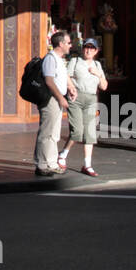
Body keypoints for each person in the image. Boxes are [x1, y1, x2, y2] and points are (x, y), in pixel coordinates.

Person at [58, 37, 107, 176]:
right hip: (76, 97)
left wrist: (97, 73)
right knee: (77, 131)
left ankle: (87, 165)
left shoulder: (97, 65)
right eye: (86, 47)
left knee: (90, 133)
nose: (88, 50)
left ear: (96, 51)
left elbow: (104, 86)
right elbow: (66, 76)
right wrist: (71, 87)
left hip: (91, 98)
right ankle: (62, 155)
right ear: (82, 48)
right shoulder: (75, 61)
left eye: (92, 48)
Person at [34, 31, 77, 177]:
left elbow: (63, 76)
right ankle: (42, 164)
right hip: (50, 99)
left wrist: (70, 87)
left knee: (54, 132)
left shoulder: (59, 59)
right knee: (47, 132)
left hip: (56, 98)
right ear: (61, 44)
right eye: (68, 43)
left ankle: (51, 163)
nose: (70, 45)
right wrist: (60, 97)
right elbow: (49, 81)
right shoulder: (50, 59)